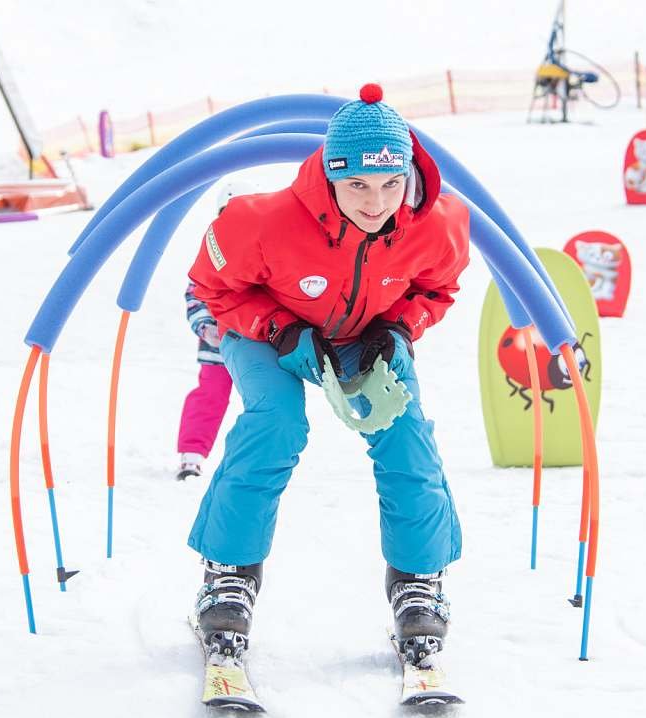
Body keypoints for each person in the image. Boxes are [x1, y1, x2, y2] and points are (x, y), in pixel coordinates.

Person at [185, 84, 470, 667]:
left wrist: (399, 329)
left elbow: (436, 290)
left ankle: (418, 580)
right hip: (270, 332)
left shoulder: (438, 224)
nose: (376, 202)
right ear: (330, 177)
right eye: (358, 185)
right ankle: (229, 575)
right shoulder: (261, 222)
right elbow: (213, 290)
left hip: (365, 337)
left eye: (391, 184)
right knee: (277, 422)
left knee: (405, 432)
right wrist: (279, 329)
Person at [175, 183, 255, 481]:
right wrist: (205, 326)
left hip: (255, 346)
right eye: (228, 215)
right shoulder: (211, 252)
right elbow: (195, 294)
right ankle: (191, 455)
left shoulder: (265, 247)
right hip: (218, 345)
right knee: (210, 396)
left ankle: (251, 461)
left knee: (264, 403)